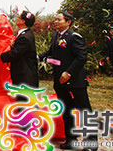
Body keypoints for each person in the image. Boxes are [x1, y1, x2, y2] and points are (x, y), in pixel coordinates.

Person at [39, 12, 97, 151]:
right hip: (60, 81)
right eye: (55, 19)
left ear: (68, 22)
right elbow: (50, 53)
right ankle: (71, 140)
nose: (56, 22)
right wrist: (36, 57)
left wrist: (69, 72)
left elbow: (81, 57)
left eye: (59, 20)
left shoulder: (74, 37)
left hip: (75, 81)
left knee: (84, 111)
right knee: (66, 111)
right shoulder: (56, 36)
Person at [0, 10, 39, 88]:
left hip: (24, 76)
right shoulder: (26, 34)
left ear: (23, 21)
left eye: (18, 17)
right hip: (22, 74)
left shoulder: (25, 37)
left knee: (23, 99)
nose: (16, 18)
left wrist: (1, 56)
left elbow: (16, 53)